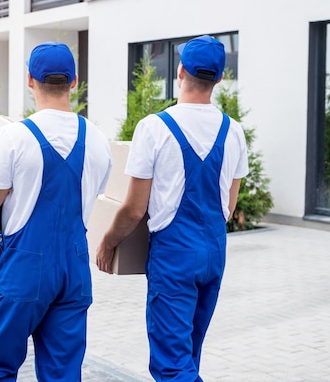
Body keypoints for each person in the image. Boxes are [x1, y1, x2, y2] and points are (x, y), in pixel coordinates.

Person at [0, 41, 112, 381]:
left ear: (29, 80)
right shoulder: (98, 140)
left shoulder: (14, 137)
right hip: (74, 271)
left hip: (23, 270)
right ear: (74, 81)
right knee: (63, 374)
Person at [96, 35, 249, 381]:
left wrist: (108, 242)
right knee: (189, 356)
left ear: (180, 71)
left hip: (175, 256)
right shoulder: (234, 132)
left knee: (171, 364)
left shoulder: (154, 128)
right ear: (220, 79)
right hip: (214, 252)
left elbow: (134, 209)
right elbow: (229, 204)